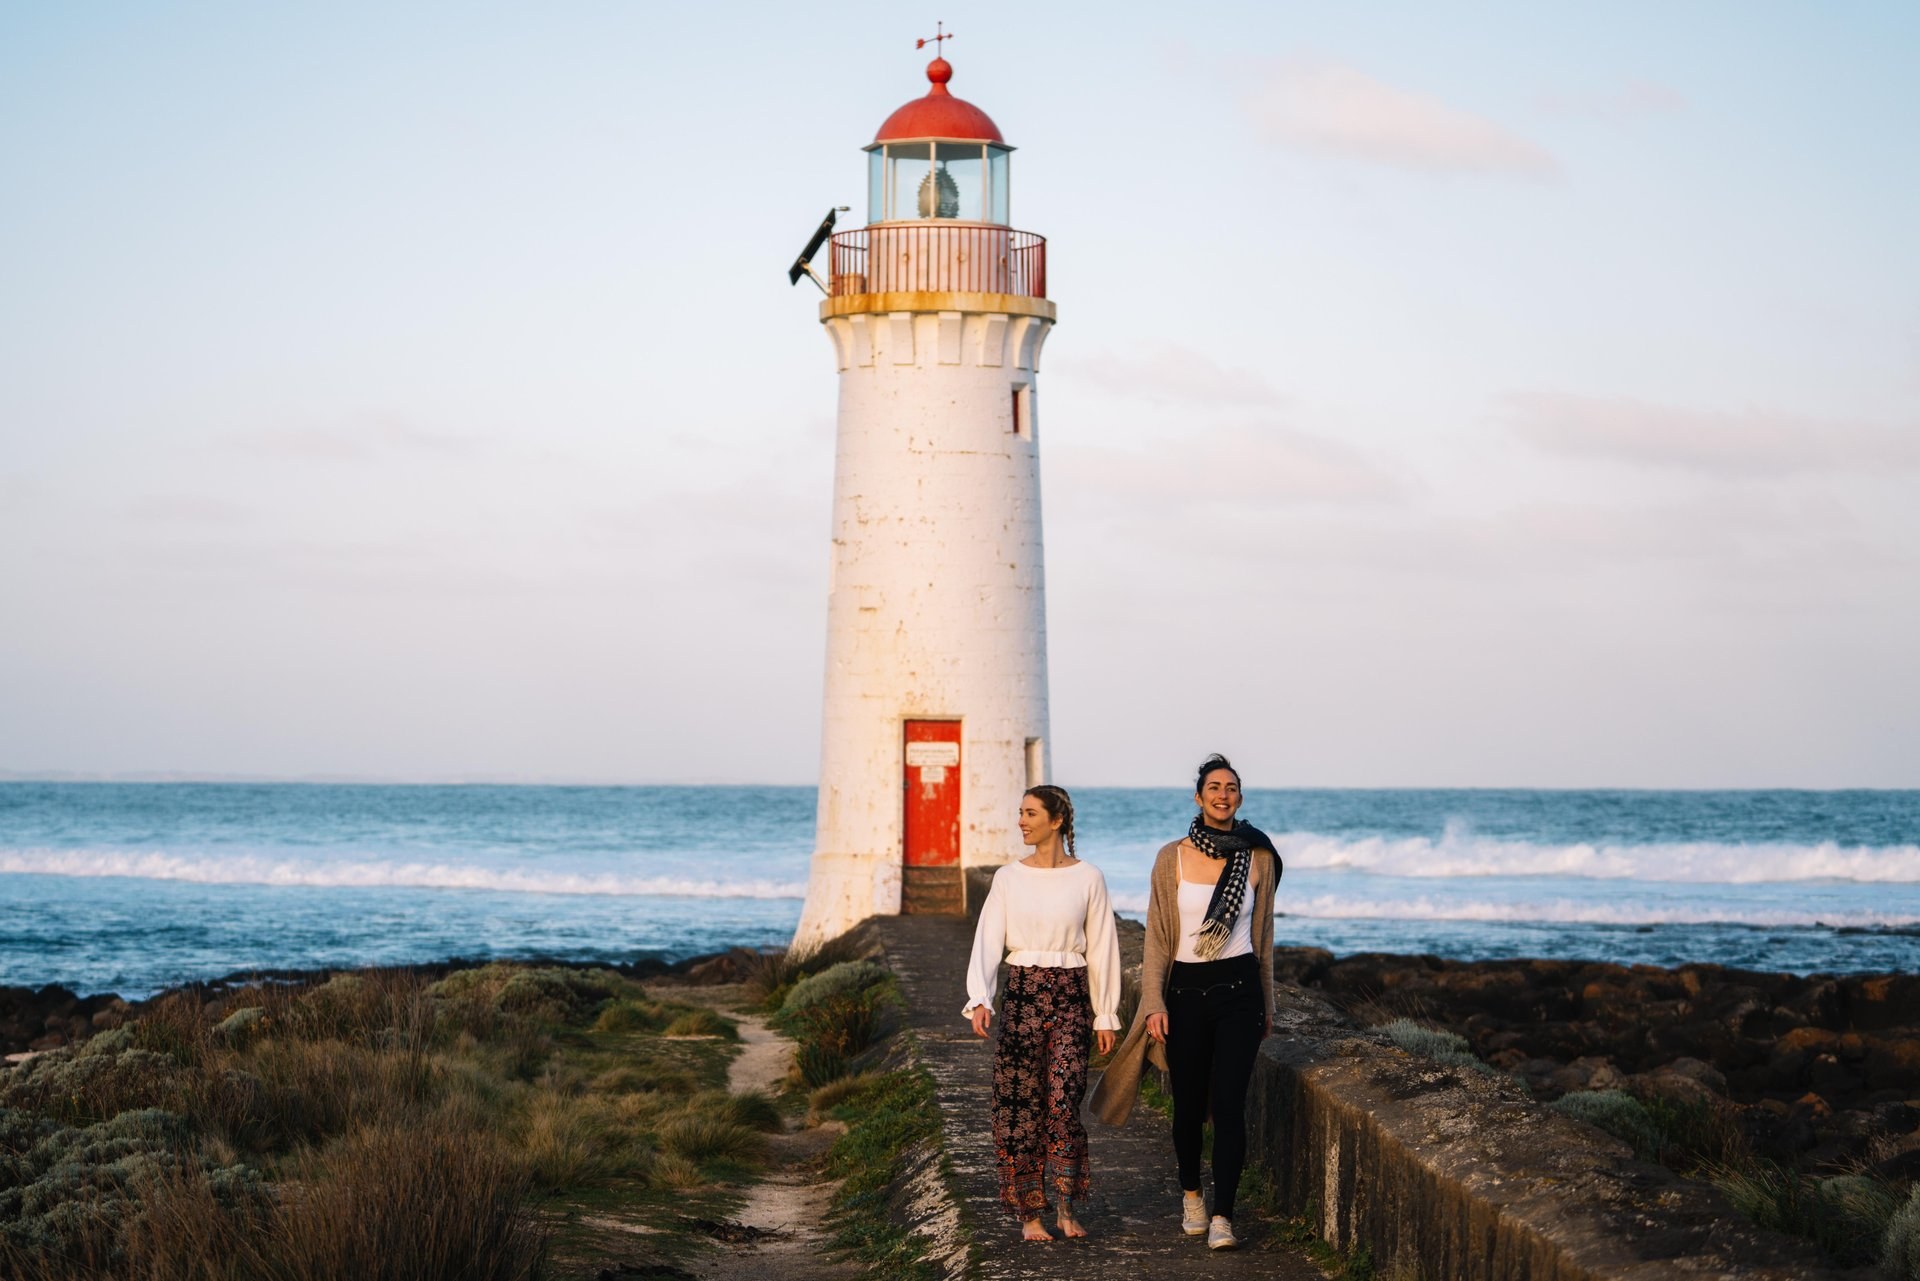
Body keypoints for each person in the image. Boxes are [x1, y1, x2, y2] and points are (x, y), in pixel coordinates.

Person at [1090, 753, 1280, 1251]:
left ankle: (1223, 1216)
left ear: (1240, 797)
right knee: (1189, 1108)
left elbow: (1264, 935)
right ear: (1199, 798)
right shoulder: (1170, 857)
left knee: (1230, 1106)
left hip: (1240, 991)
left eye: (1232, 787)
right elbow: (1155, 937)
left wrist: (1269, 1004)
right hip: (1186, 994)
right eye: (1214, 787)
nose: (1223, 794)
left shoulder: (1257, 856)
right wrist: (1153, 1002)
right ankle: (1192, 1195)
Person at [962, 784, 1122, 1242]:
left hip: (1071, 1000)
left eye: (1031, 813)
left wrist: (1105, 1014)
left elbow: (1104, 947)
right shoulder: (1008, 877)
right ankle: (1030, 1215)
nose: (1022, 821)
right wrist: (981, 997)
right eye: (1020, 813)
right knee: (1018, 1110)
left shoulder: (1089, 877)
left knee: (1064, 1105)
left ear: (1057, 821)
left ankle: (1067, 1208)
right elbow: (988, 937)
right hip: (1024, 997)